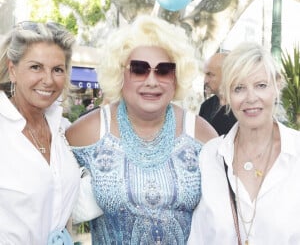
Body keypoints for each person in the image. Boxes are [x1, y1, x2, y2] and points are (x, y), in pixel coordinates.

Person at [66, 15, 218, 244]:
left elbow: (223, 215)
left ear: (176, 76)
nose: (152, 81)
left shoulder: (200, 133)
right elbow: (48, 203)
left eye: (164, 70)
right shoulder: (88, 132)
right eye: (139, 69)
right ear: (120, 73)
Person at [188, 43, 300, 245]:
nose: (251, 98)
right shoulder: (210, 156)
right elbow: (199, 237)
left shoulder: (296, 152)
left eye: (261, 85)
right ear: (225, 96)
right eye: (239, 88)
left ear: (277, 86)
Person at [0, 21, 80, 244]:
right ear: (13, 70)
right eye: (36, 67)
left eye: (57, 70)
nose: (48, 80)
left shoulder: (63, 129)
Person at [199, 52, 236, 135]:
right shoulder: (206, 106)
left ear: (226, 74)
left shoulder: (241, 108)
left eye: (210, 74)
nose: (205, 81)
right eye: (205, 74)